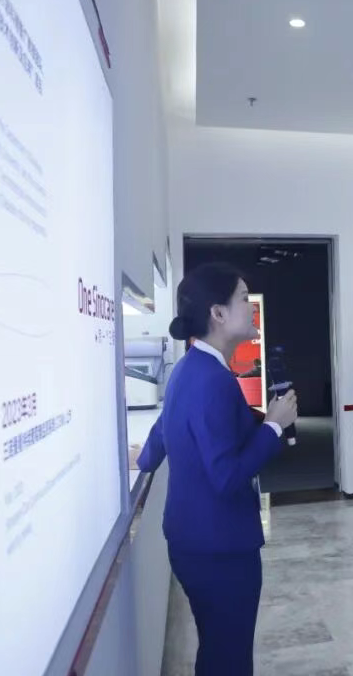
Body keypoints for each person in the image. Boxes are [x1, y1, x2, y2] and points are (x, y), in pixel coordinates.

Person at [136, 263, 298, 676]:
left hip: (194, 540)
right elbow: (226, 476)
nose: (251, 306)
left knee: (218, 648)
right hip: (221, 547)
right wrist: (274, 426)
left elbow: (162, 432)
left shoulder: (189, 368)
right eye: (244, 298)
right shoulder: (212, 379)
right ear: (218, 313)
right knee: (229, 657)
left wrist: (142, 461)